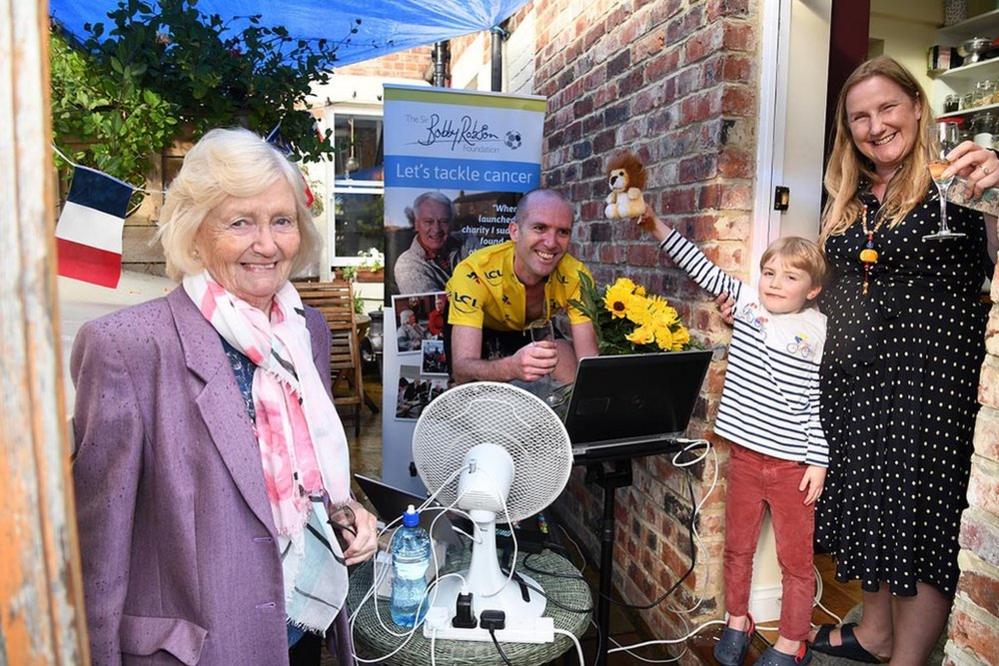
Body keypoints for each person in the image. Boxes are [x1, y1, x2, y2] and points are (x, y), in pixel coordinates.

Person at [720, 57, 997, 665]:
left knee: (917, 519)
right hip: (850, 383)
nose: (875, 126)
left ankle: (908, 656)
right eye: (859, 117)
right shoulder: (848, 196)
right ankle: (875, 633)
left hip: (928, 382)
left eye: (887, 108)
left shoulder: (960, 185)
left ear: (918, 107)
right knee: (868, 505)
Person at [71, 128, 378, 665]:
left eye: (281, 220)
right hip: (201, 650)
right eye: (240, 222)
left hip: (302, 628)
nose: (268, 244)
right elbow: (97, 552)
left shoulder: (306, 333)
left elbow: (306, 474)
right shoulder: (129, 348)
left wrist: (347, 509)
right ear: (195, 234)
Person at [640, 209, 829, 666]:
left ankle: (792, 640)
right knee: (738, 547)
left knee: (796, 562)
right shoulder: (746, 305)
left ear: (813, 289)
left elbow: (818, 401)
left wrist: (818, 461)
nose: (775, 283)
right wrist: (654, 224)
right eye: (768, 273)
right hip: (745, 457)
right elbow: (700, 266)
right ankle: (737, 619)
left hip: (793, 467)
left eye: (790, 276)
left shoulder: (821, 329)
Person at [445, 188, 599, 385]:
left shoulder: (576, 276)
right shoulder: (472, 272)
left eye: (562, 232)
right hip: (481, 325)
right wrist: (510, 367)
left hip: (531, 326)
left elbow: (588, 360)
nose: (551, 243)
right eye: (539, 228)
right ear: (514, 231)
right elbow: (462, 369)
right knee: (470, 392)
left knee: (570, 377)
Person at [393, 191, 468, 294]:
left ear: (451, 223)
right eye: (428, 222)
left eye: (444, 221)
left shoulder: (466, 240)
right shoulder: (406, 265)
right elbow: (436, 308)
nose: (436, 229)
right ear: (416, 224)